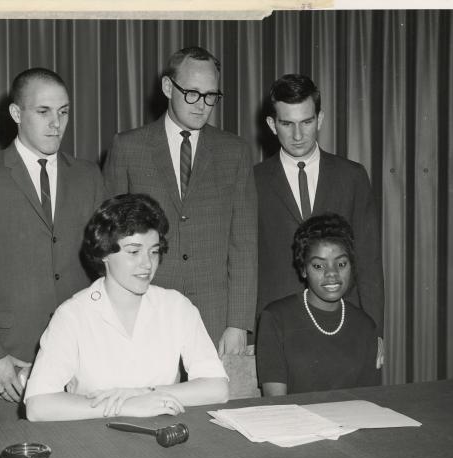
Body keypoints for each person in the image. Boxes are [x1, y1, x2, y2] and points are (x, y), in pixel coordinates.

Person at [0, 67, 106, 423]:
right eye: (43, 111)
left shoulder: (88, 175)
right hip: (7, 362)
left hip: (78, 356)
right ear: (17, 114)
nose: (56, 123)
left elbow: (104, 267)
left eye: (64, 112)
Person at [103, 46, 257, 355]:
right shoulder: (128, 147)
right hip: (143, 312)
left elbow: (244, 243)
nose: (202, 106)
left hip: (214, 320)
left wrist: (238, 323)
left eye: (211, 96)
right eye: (192, 93)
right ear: (167, 87)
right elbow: (109, 240)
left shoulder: (235, 151)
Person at [24, 194, 229, 421]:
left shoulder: (176, 306)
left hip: (163, 434)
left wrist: (144, 394)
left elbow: (217, 388)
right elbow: (38, 405)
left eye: (154, 251)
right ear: (104, 253)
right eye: (133, 252)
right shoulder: (73, 314)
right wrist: (126, 406)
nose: (147, 264)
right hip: (93, 440)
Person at [255, 73, 384, 367]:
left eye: (307, 122)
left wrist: (375, 331)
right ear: (272, 125)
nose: (298, 135)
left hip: (343, 324)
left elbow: (369, 260)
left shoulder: (352, 176)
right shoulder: (253, 181)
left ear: (320, 119)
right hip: (280, 330)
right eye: (287, 124)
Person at [256, 213, 381, 395]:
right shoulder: (275, 318)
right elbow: (276, 403)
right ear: (303, 269)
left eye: (341, 264)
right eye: (318, 266)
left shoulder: (365, 326)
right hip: (294, 421)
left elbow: (370, 401)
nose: (332, 273)